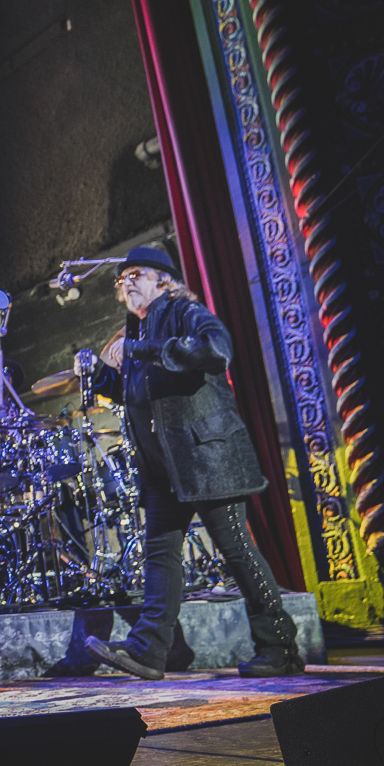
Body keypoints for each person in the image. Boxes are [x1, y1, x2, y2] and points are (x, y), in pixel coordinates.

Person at [75, 246, 302, 680]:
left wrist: (140, 349)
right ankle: (147, 651)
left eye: (136, 274)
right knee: (160, 555)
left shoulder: (183, 311)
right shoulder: (135, 330)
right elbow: (135, 394)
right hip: (165, 469)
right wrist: (98, 372)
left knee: (236, 550)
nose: (126, 282)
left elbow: (216, 349)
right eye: (122, 279)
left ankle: (280, 648)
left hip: (207, 457)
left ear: (164, 280)